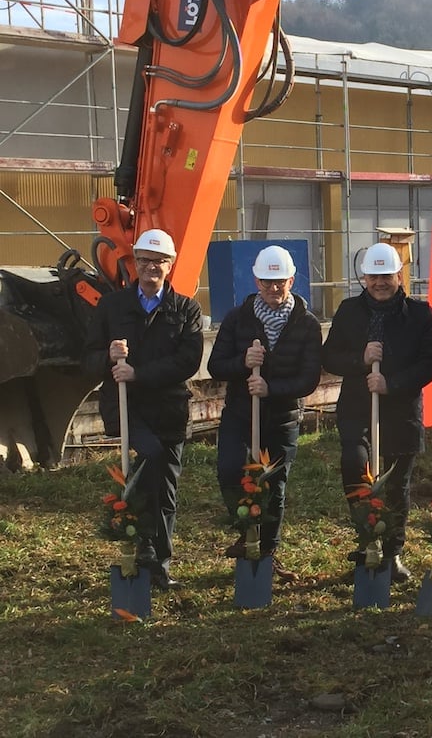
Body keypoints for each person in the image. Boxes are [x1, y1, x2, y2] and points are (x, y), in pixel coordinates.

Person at [82, 228, 203, 590]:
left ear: (171, 264)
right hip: (127, 409)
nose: (151, 267)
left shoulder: (186, 309)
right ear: (135, 262)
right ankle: (141, 549)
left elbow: (188, 360)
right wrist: (108, 356)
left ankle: (158, 562)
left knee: (164, 490)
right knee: (143, 467)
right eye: (145, 260)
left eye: (159, 261)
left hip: (168, 410)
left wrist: (139, 372)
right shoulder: (112, 307)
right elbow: (85, 359)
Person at [322, 242, 432, 582]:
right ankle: (366, 546)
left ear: (399, 276)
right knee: (355, 469)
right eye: (373, 277)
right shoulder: (348, 311)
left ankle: (391, 554)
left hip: (401, 412)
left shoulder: (419, 315)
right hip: (358, 410)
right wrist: (361, 358)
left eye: (386, 276)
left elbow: (428, 363)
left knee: (395, 485)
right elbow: (329, 358)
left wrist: (391, 383)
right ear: (363, 278)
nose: (379, 283)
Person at [208, 245, 321, 583]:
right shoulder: (237, 318)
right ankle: (246, 531)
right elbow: (215, 366)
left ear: (292, 279)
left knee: (274, 485)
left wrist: (272, 389)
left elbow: (308, 378)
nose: (274, 289)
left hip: (282, 417)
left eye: (280, 282)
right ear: (256, 280)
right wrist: (243, 363)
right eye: (267, 282)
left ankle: (267, 552)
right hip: (241, 414)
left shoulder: (306, 323)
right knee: (230, 470)